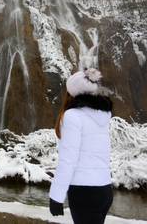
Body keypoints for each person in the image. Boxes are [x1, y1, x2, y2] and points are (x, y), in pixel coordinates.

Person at [49, 68, 114, 224]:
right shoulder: (102, 116)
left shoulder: (73, 116)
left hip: (84, 192)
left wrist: (56, 196)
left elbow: (68, 160)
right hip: (105, 190)